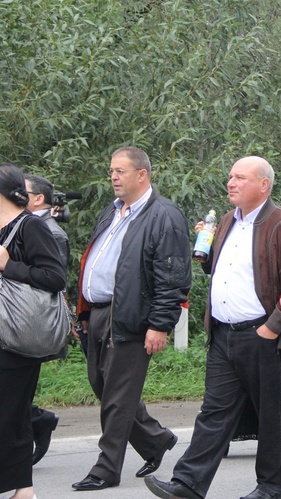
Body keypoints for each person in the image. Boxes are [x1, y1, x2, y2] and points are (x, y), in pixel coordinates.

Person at [145, 157, 281, 499]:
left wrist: (273, 327)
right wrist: (205, 254)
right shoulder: (224, 222)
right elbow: (225, 272)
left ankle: (270, 488)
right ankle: (188, 484)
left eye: (240, 178)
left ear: (263, 184)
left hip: (261, 336)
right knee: (214, 411)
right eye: (230, 177)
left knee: (270, 415)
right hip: (223, 335)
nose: (231, 183)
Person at [72, 147, 192, 491]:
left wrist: (160, 324)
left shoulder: (164, 215)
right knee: (102, 384)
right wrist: (85, 312)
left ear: (142, 175)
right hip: (98, 314)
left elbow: (173, 278)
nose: (113, 177)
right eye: (111, 170)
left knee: (118, 396)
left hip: (133, 316)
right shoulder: (111, 212)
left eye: (120, 171)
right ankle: (155, 440)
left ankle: (106, 469)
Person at [0, 164, 66, 499]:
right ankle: (22, 490)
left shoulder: (30, 227)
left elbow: (55, 278)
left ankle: (24, 490)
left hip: (17, 337)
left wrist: (7, 265)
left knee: (11, 415)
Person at [24, 174, 69, 465]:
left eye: (22, 191)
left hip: (26, 321)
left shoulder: (51, 233)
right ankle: (36, 420)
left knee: (14, 390)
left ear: (39, 198)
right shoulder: (20, 224)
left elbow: (53, 280)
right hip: (13, 316)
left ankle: (36, 421)